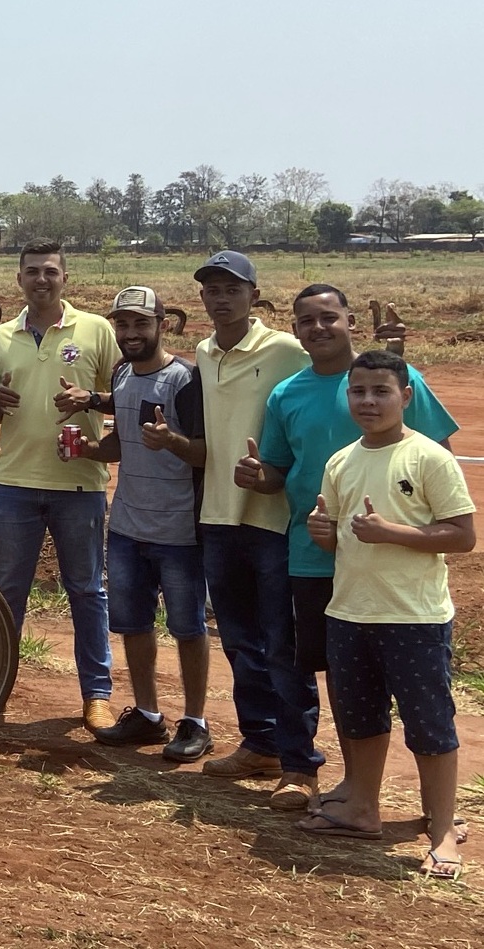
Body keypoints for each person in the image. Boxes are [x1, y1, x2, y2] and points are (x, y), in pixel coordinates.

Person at [243, 283, 457, 818]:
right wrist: (257, 476)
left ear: (350, 321)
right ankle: (357, 785)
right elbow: (278, 472)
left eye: (329, 317)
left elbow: (438, 460)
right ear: (294, 329)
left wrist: (403, 531)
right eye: (306, 320)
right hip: (313, 554)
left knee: (416, 692)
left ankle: (436, 808)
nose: (318, 328)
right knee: (344, 675)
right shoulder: (287, 393)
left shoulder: (392, 380)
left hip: (395, 566)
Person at [297, 350, 472, 880]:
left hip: (414, 617)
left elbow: (462, 535)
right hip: (349, 612)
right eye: (358, 392)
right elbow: (339, 540)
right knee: (360, 719)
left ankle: (443, 829)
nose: (368, 401)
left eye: (381, 391)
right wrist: (323, 534)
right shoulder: (341, 462)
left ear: (406, 396)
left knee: (429, 724)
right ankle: (362, 807)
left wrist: (392, 532)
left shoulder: (428, 458)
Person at [189, 250, 322, 808]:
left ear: (254, 296)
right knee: (241, 642)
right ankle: (260, 744)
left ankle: (300, 765)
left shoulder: (286, 350)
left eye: (232, 289)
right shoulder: (204, 352)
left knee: (282, 645)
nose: (221, 298)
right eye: (212, 290)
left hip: (272, 518)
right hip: (219, 516)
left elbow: (340, 377)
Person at [60, 287, 214, 761]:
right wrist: (88, 450)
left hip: (179, 531)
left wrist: (172, 441)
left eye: (141, 324)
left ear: (163, 326)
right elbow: (122, 444)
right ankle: (148, 714)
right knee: (134, 624)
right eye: (122, 324)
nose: (130, 333)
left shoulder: (185, 379)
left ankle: (196, 721)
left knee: (188, 627)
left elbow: (205, 452)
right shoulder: (123, 374)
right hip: (127, 526)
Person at [0, 239, 118, 731]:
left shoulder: (96, 329)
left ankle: (97, 695)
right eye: (32, 272)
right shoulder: (1, 336)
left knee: (87, 590)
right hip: (14, 482)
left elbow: (122, 394)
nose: (41, 279)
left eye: (50, 271)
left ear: (65, 278)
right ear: (19, 279)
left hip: (79, 484)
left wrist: (92, 398)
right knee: (7, 592)